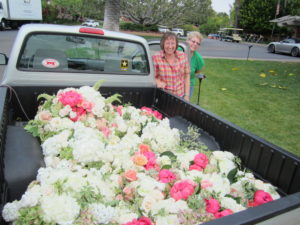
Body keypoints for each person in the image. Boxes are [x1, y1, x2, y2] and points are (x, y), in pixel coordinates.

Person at [152, 32, 190, 101]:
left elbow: (187, 76)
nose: (170, 46)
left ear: (176, 44)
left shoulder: (183, 56)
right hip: (164, 96)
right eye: (167, 43)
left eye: (172, 43)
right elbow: (152, 77)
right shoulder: (156, 57)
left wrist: (186, 95)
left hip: (180, 96)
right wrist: (157, 82)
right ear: (163, 44)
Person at [186, 31, 205, 100]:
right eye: (193, 41)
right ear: (187, 40)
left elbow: (198, 71)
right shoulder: (178, 50)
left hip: (189, 86)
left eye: (198, 43)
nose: (195, 44)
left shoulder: (199, 59)